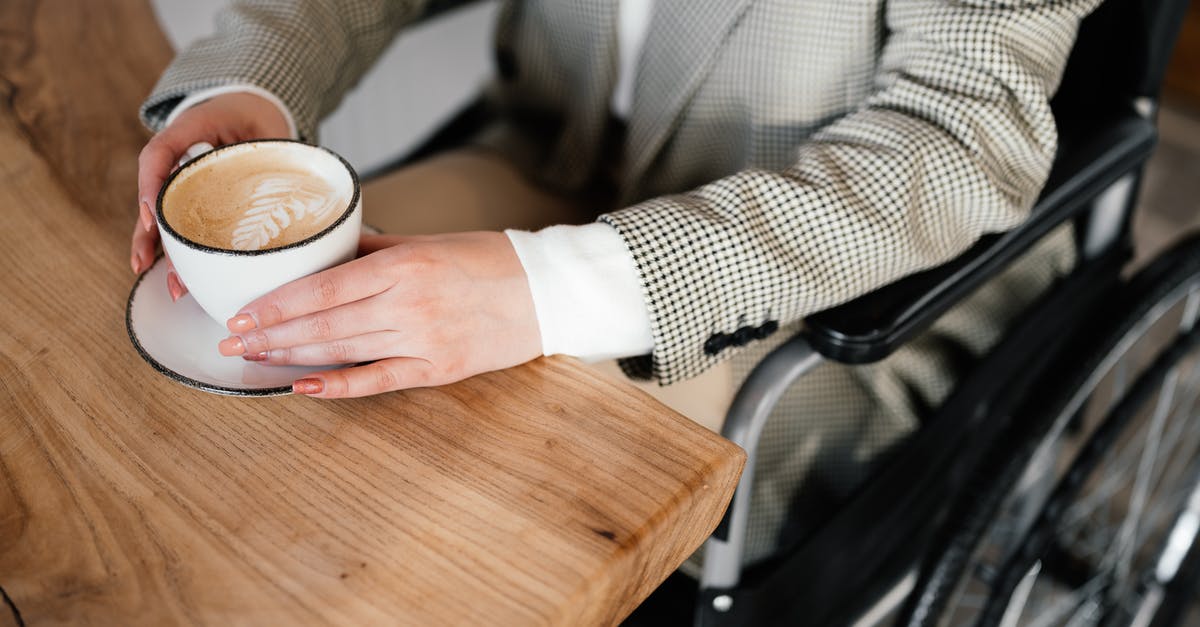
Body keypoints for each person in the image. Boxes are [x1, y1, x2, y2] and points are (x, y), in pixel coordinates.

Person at [131, 0, 1094, 569]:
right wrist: (248, 85)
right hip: (552, 155)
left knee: (449, 528)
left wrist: (552, 288)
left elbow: (962, 136)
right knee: (236, 386)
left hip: (807, 280)